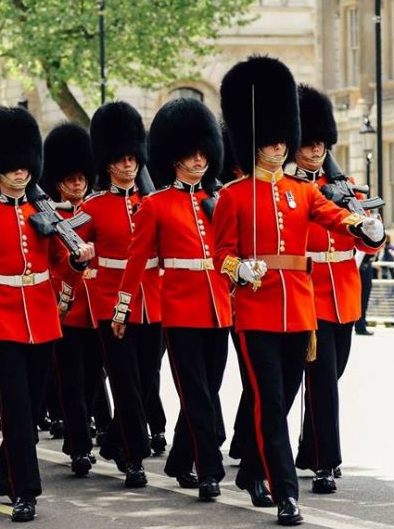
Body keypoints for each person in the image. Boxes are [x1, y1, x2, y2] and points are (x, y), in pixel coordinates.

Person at [215, 55, 384, 525]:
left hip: (300, 314)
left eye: (281, 138)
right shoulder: (233, 195)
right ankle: (287, 494)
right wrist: (240, 268)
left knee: (284, 399)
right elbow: (220, 253)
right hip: (255, 311)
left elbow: (337, 219)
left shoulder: (303, 192)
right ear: (253, 142)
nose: (277, 146)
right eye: (269, 139)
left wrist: (363, 225)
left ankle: (252, 469)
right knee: (270, 402)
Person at [0, 106, 95, 522]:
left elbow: (58, 266)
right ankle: (26, 491)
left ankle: (9, 477)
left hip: (42, 318)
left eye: (25, 165)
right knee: (14, 408)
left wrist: (78, 261)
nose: (20, 173)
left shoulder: (41, 214)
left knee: (29, 406)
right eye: (11, 167)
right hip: (1, 319)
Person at [113, 97, 232, 501]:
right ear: (173, 159)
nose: (199, 162)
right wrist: (124, 306)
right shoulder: (155, 205)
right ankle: (208, 469)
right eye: (190, 156)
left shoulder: (216, 202)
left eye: (203, 155)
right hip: (179, 309)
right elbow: (136, 260)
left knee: (209, 389)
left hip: (219, 306)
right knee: (196, 393)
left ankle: (181, 459)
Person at [290, 85, 382, 493]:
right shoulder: (289, 190)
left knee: (334, 373)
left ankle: (309, 449)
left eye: (321, 145)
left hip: (343, 291)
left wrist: (373, 232)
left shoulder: (346, 186)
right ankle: (326, 462)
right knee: (322, 378)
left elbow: (365, 242)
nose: (315, 152)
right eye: (308, 146)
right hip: (307, 293)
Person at [74, 101, 160, 487]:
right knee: (124, 381)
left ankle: (113, 441)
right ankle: (134, 458)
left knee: (146, 382)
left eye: (132, 159)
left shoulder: (152, 203)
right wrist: (80, 259)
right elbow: (70, 250)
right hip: (111, 305)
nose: (128, 166)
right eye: (120, 160)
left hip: (152, 301)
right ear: (107, 163)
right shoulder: (92, 207)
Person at [39, 121, 101, 476]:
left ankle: (79, 433)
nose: (77, 185)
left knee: (93, 380)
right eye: (70, 179)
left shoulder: (95, 210)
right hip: (64, 309)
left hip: (93, 306)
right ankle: (79, 447)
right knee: (72, 383)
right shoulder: (49, 216)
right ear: (58, 182)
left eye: (81, 178)